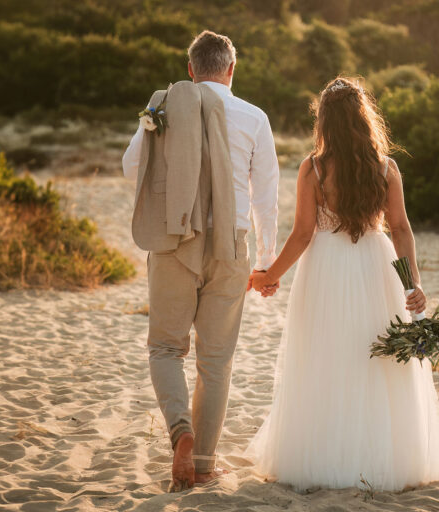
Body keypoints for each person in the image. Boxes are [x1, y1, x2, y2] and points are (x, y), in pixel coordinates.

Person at [247, 77, 439, 491]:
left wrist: (270, 276)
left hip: (326, 270)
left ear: (324, 121)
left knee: (325, 360)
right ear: (364, 119)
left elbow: (303, 234)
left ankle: (326, 458)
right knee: (376, 361)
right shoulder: (386, 167)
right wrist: (412, 284)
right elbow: (400, 229)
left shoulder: (314, 168)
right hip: (378, 270)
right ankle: (382, 460)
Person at [122, 30, 280, 491]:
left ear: (190, 69)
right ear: (231, 70)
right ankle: (205, 463)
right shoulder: (253, 116)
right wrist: (267, 262)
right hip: (231, 245)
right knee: (216, 360)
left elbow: (132, 167)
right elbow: (266, 196)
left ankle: (180, 432)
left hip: (174, 237)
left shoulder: (165, 108)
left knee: (166, 348)